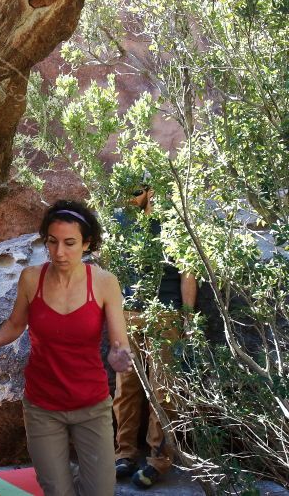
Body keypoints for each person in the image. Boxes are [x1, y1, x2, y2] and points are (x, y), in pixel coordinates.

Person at [0, 200, 133, 496]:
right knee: (57, 491)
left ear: (87, 244)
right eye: (52, 242)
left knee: (100, 492)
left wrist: (119, 355)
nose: (59, 252)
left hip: (91, 405)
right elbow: (16, 324)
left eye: (70, 243)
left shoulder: (105, 282)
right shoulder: (32, 279)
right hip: (43, 405)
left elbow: (119, 341)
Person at [112, 182, 197, 489]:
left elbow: (189, 273)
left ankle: (158, 460)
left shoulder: (178, 225)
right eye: (135, 190)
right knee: (126, 386)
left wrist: (188, 319)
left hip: (167, 312)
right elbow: (113, 270)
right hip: (128, 314)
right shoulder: (123, 223)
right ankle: (124, 453)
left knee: (163, 388)